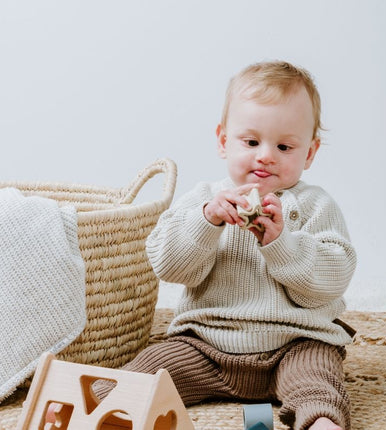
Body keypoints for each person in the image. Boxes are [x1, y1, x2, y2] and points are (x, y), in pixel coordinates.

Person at [67, 61, 357, 430]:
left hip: (294, 343)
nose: (265, 155)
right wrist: (206, 222)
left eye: (284, 146)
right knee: (149, 369)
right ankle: (94, 411)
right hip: (205, 345)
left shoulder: (317, 205)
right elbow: (169, 266)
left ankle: (322, 423)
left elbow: (332, 280)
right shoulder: (203, 199)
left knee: (318, 378)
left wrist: (282, 244)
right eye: (251, 142)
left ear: (310, 154)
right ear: (224, 141)